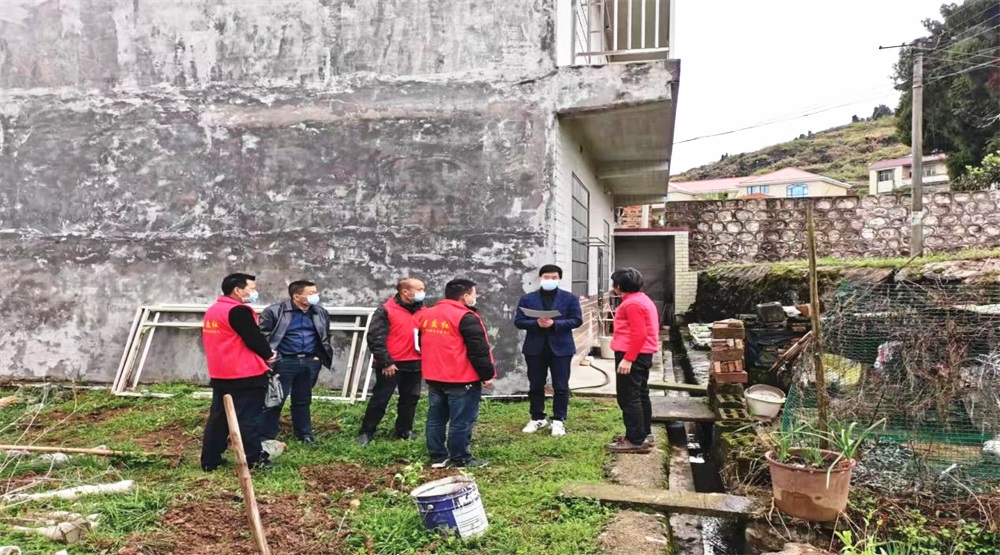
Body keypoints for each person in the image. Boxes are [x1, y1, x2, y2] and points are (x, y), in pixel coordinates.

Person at [201, 273, 276, 471]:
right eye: (252, 288)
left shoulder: (214, 310)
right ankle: (253, 459)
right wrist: (269, 354)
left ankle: (210, 459)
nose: (255, 292)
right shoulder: (238, 311)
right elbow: (253, 337)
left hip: (221, 372)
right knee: (249, 418)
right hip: (245, 373)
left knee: (219, 418)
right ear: (237, 290)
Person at [419, 279, 495, 468]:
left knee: (436, 418)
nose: (475, 297)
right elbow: (478, 350)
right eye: (474, 294)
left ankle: (438, 456)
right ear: (465, 296)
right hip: (461, 378)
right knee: (461, 420)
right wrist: (486, 374)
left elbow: (421, 343)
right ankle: (460, 458)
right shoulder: (465, 317)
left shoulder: (427, 314)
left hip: (434, 376)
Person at [259, 280, 334, 444]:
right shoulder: (274, 311)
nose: (316, 296)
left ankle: (304, 434)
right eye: (311, 293)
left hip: (309, 361)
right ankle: (266, 436)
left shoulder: (320, 312)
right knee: (276, 399)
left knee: (303, 399)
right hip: (284, 361)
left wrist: (317, 357)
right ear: (297, 296)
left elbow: (325, 336)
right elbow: (263, 336)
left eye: (316, 292)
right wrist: (274, 358)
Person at [514, 264, 583, 436]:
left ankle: (558, 420)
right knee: (536, 384)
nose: (550, 280)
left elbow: (577, 320)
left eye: (554, 277)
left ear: (559, 279)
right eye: (546, 277)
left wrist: (555, 324)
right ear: (540, 278)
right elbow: (519, 321)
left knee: (561, 385)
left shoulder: (569, 298)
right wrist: (535, 323)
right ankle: (537, 417)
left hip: (561, 348)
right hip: (535, 347)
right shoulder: (528, 299)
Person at [357, 278, 427, 446]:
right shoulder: (386, 310)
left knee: (410, 398)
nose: (422, 293)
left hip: (415, 362)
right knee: (381, 398)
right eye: (419, 289)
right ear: (405, 292)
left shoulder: (424, 311)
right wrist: (386, 362)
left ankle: (404, 430)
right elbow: (375, 338)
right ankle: (367, 431)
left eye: (423, 289)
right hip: (391, 364)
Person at [606, 268, 660, 454]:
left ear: (619, 286)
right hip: (642, 354)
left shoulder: (632, 304)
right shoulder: (641, 299)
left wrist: (628, 359)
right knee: (640, 394)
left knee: (629, 397)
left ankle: (636, 440)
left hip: (633, 353)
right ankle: (643, 434)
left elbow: (640, 334)